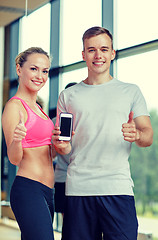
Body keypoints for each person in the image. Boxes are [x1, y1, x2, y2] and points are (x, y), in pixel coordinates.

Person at [52, 26, 153, 240]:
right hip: (79, 189)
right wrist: (61, 146)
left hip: (118, 186)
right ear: (83, 55)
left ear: (112, 53)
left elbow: (148, 136)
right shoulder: (68, 95)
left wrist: (136, 135)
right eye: (91, 50)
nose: (98, 55)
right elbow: (65, 144)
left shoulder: (130, 91)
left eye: (104, 49)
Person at [2, 47, 57, 240]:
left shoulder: (39, 109)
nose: (40, 76)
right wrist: (17, 140)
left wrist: (59, 143)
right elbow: (14, 158)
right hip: (29, 189)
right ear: (19, 69)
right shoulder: (14, 107)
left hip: (47, 191)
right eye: (34, 69)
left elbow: (49, 154)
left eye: (45, 71)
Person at [52, 82, 77, 217]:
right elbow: (52, 153)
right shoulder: (55, 122)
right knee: (69, 220)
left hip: (76, 177)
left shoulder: (83, 119)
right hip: (63, 177)